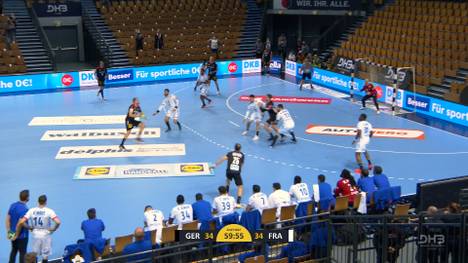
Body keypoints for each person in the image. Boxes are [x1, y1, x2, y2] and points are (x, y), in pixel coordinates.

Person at [14, 195, 61, 263]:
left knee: (34, 255)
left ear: (38, 202)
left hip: (35, 235)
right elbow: (58, 222)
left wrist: (29, 227)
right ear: (45, 202)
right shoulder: (49, 211)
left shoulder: (31, 210)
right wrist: (54, 228)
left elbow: (21, 221)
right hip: (46, 235)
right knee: (45, 256)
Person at [6, 190, 29, 263]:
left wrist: (9, 232)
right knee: (22, 254)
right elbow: (20, 223)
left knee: (14, 251)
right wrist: (17, 235)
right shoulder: (24, 209)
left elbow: (7, 219)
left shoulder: (12, 205)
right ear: (27, 198)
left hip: (12, 233)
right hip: (22, 236)